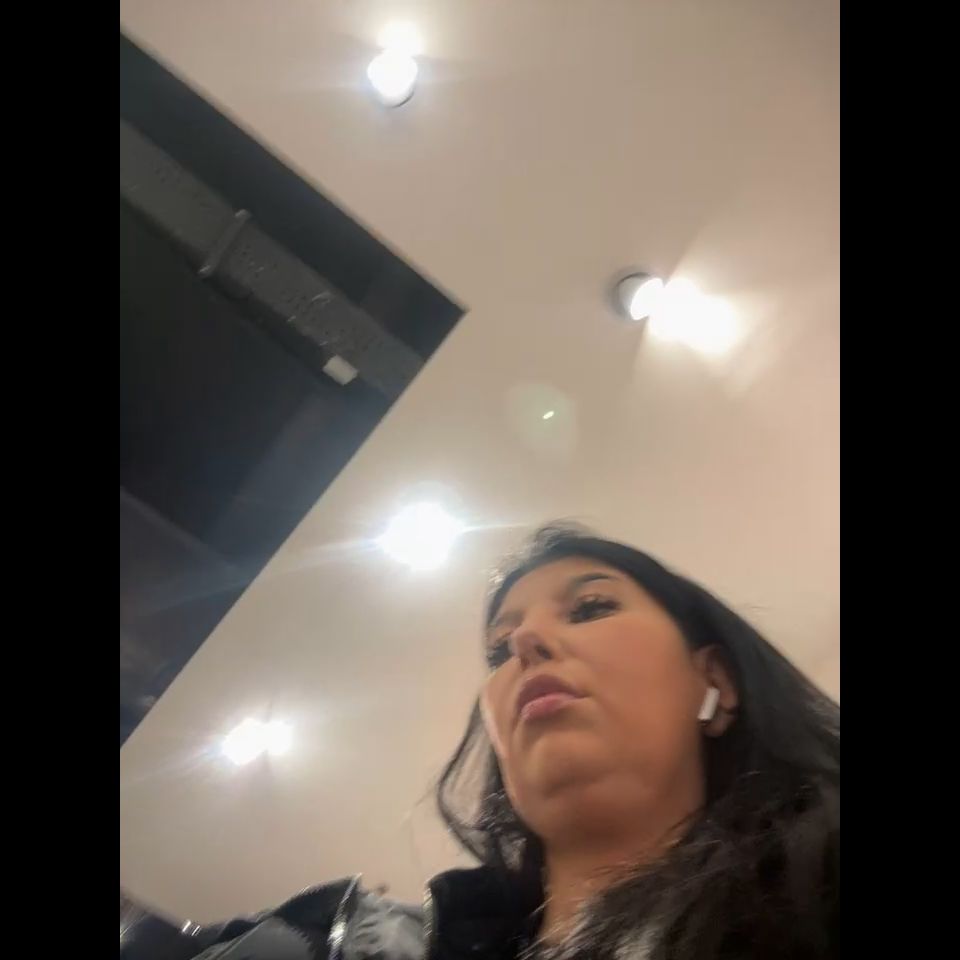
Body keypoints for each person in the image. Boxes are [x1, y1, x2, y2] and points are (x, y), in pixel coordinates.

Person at [121, 524, 839, 960]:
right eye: (499, 650)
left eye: (590, 607)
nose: (526, 641)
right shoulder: (339, 942)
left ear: (716, 681)